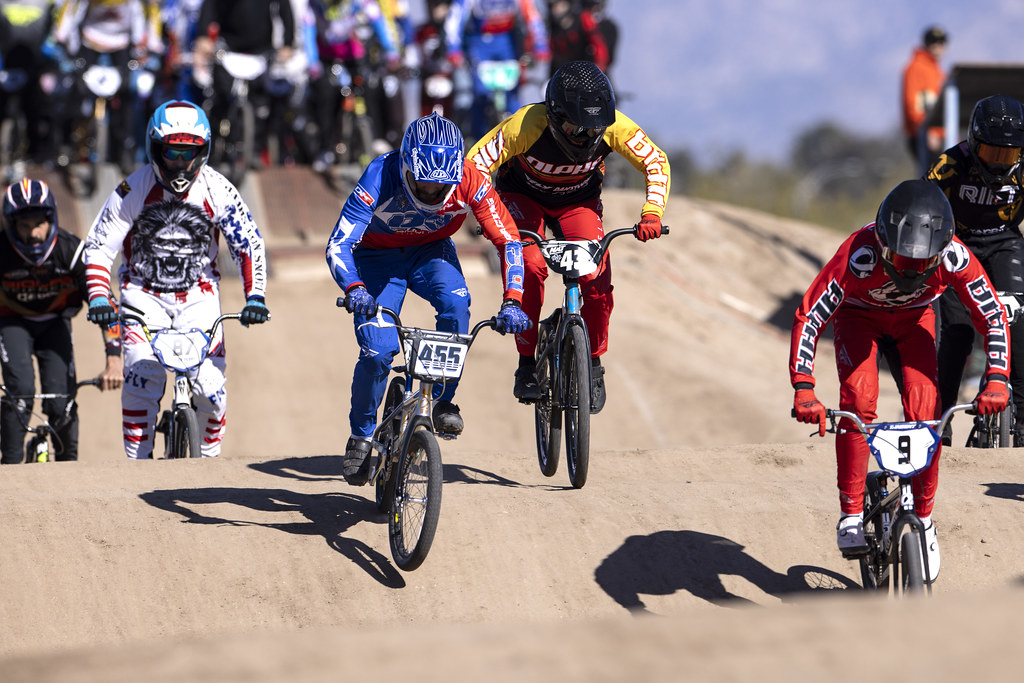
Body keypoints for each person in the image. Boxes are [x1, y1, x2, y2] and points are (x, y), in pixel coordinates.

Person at [790, 179, 1010, 584]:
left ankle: (924, 518)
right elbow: (810, 315)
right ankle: (851, 514)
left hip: (914, 321)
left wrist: (997, 378)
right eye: (900, 259)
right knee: (858, 401)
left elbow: (992, 314)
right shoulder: (857, 254)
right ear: (882, 241)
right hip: (858, 318)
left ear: (941, 250)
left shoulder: (956, 257)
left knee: (927, 410)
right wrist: (804, 386)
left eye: (923, 263)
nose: (911, 271)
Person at [326, 111, 530, 486]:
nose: (432, 192)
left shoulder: (471, 177)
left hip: (431, 251)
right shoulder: (380, 173)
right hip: (376, 257)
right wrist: (354, 287)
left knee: (457, 306)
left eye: (441, 186)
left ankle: (442, 400)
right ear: (405, 166)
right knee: (378, 351)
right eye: (424, 184)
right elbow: (339, 243)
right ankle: (362, 435)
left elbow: (509, 240)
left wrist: (513, 299)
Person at [467, 59, 670, 412]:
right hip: (522, 198)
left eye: (595, 129)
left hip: (577, 202)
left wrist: (652, 212)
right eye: (577, 128)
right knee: (530, 267)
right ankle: (526, 364)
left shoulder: (615, 126)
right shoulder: (525, 124)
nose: (587, 136)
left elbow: (656, 161)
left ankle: (593, 363)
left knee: (596, 280)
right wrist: (487, 215)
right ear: (554, 116)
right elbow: (474, 164)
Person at [83, 99, 270, 459]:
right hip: (142, 296)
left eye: (189, 154)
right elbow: (100, 246)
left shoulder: (218, 189)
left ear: (204, 151)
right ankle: (138, 467)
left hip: (200, 297)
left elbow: (248, 243)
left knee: (211, 391)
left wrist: (256, 296)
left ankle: (209, 462)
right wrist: (99, 297)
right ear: (155, 149)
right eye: (172, 153)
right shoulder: (131, 190)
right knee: (142, 380)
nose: (181, 163)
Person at [0, 179, 123, 464]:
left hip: (54, 322)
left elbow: (106, 305)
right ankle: (9, 469)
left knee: (61, 401)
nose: (33, 234)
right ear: (11, 225)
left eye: (39, 224)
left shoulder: (72, 252)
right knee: (20, 392)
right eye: (24, 225)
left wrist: (114, 360)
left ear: (51, 219)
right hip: (11, 322)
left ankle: (69, 470)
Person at [929, 94, 1024, 445]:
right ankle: (940, 421)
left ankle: (1023, 420)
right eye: (991, 153)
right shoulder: (949, 164)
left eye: (1008, 155)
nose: (999, 164)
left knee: (1019, 326)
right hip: (958, 247)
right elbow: (922, 206)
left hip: (1004, 244)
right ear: (973, 142)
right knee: (957, 335)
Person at [443, 0, 550, 139]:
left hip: (507, 41)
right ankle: (478, 139)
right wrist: (453, 48)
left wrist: (540, 44)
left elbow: (532, 15)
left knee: (512, 93)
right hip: (479, 41)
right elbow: (456, 17)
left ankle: (518, 138)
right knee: (481, 94)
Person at [902, 24, 948, 173]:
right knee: (931, 177)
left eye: (941, 42)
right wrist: (928, 131)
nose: (938, 46)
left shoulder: (938, 71)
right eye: (933, 42)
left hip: (940, 135)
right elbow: (913, 105)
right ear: (926, 44)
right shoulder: (915, 68)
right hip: (923, 135)